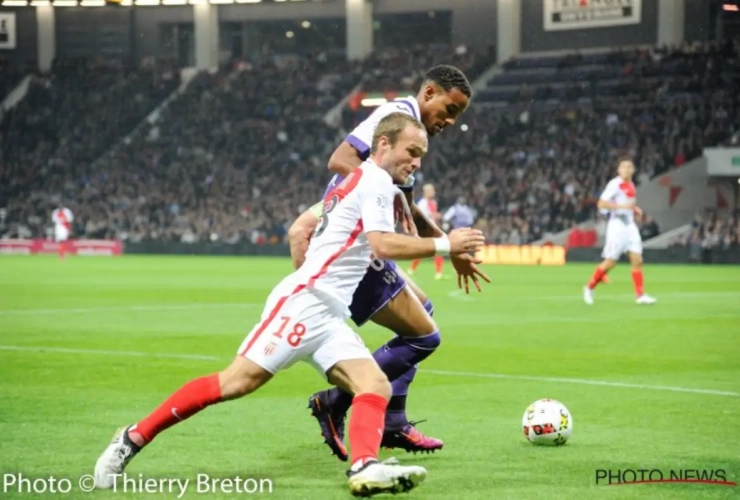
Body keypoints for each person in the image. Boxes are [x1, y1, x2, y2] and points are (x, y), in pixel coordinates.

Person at [93, 114, 485, 496]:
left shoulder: (366, 179)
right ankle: (131, 438)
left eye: (422, 155)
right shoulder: (376, 182)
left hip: (330, 313)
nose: (416, 162)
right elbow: (382, 244)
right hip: (304, 304)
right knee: (235, 383)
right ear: (383, 144)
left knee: (374, 384)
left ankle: (364, 467)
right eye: (411, 151)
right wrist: (446, 244)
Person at [287, 65, 489, 461]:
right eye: (449, 109)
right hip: (355, 245)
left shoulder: (410, 135)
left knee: (424, 311)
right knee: (424, 336)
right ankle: (336, 401)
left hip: (357, 239)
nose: (449, 121)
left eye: (457, 116)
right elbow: (341, 159)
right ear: (429, 92)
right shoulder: (395, 118)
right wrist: (391, 206)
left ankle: (392, 421)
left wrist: (449, 247)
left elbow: (408, 207)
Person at [584, 157, 657, 305]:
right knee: (611, 262)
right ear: (619, 170)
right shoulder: (614, 184)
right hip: (617, 226)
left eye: (629, 167)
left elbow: (628, 204)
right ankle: (589, 287)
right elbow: (601, 203)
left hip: (630, 226)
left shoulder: (631, 185)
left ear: (633, 170)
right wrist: (622, 208)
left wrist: (635, 209)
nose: (627, 169)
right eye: (624, 167)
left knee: (637, 260)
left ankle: (640, 295)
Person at [408, 184, 444, 279]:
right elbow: (424, 217)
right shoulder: (422, 203)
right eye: (430, 191)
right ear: (426, 192)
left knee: (437, 249)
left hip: (432, 229)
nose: (433, 193)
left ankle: (438, 272)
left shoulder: (434, 202)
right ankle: (438, 273)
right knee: (430, 250)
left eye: (433, 191)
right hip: (425, 229)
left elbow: (433, 217)